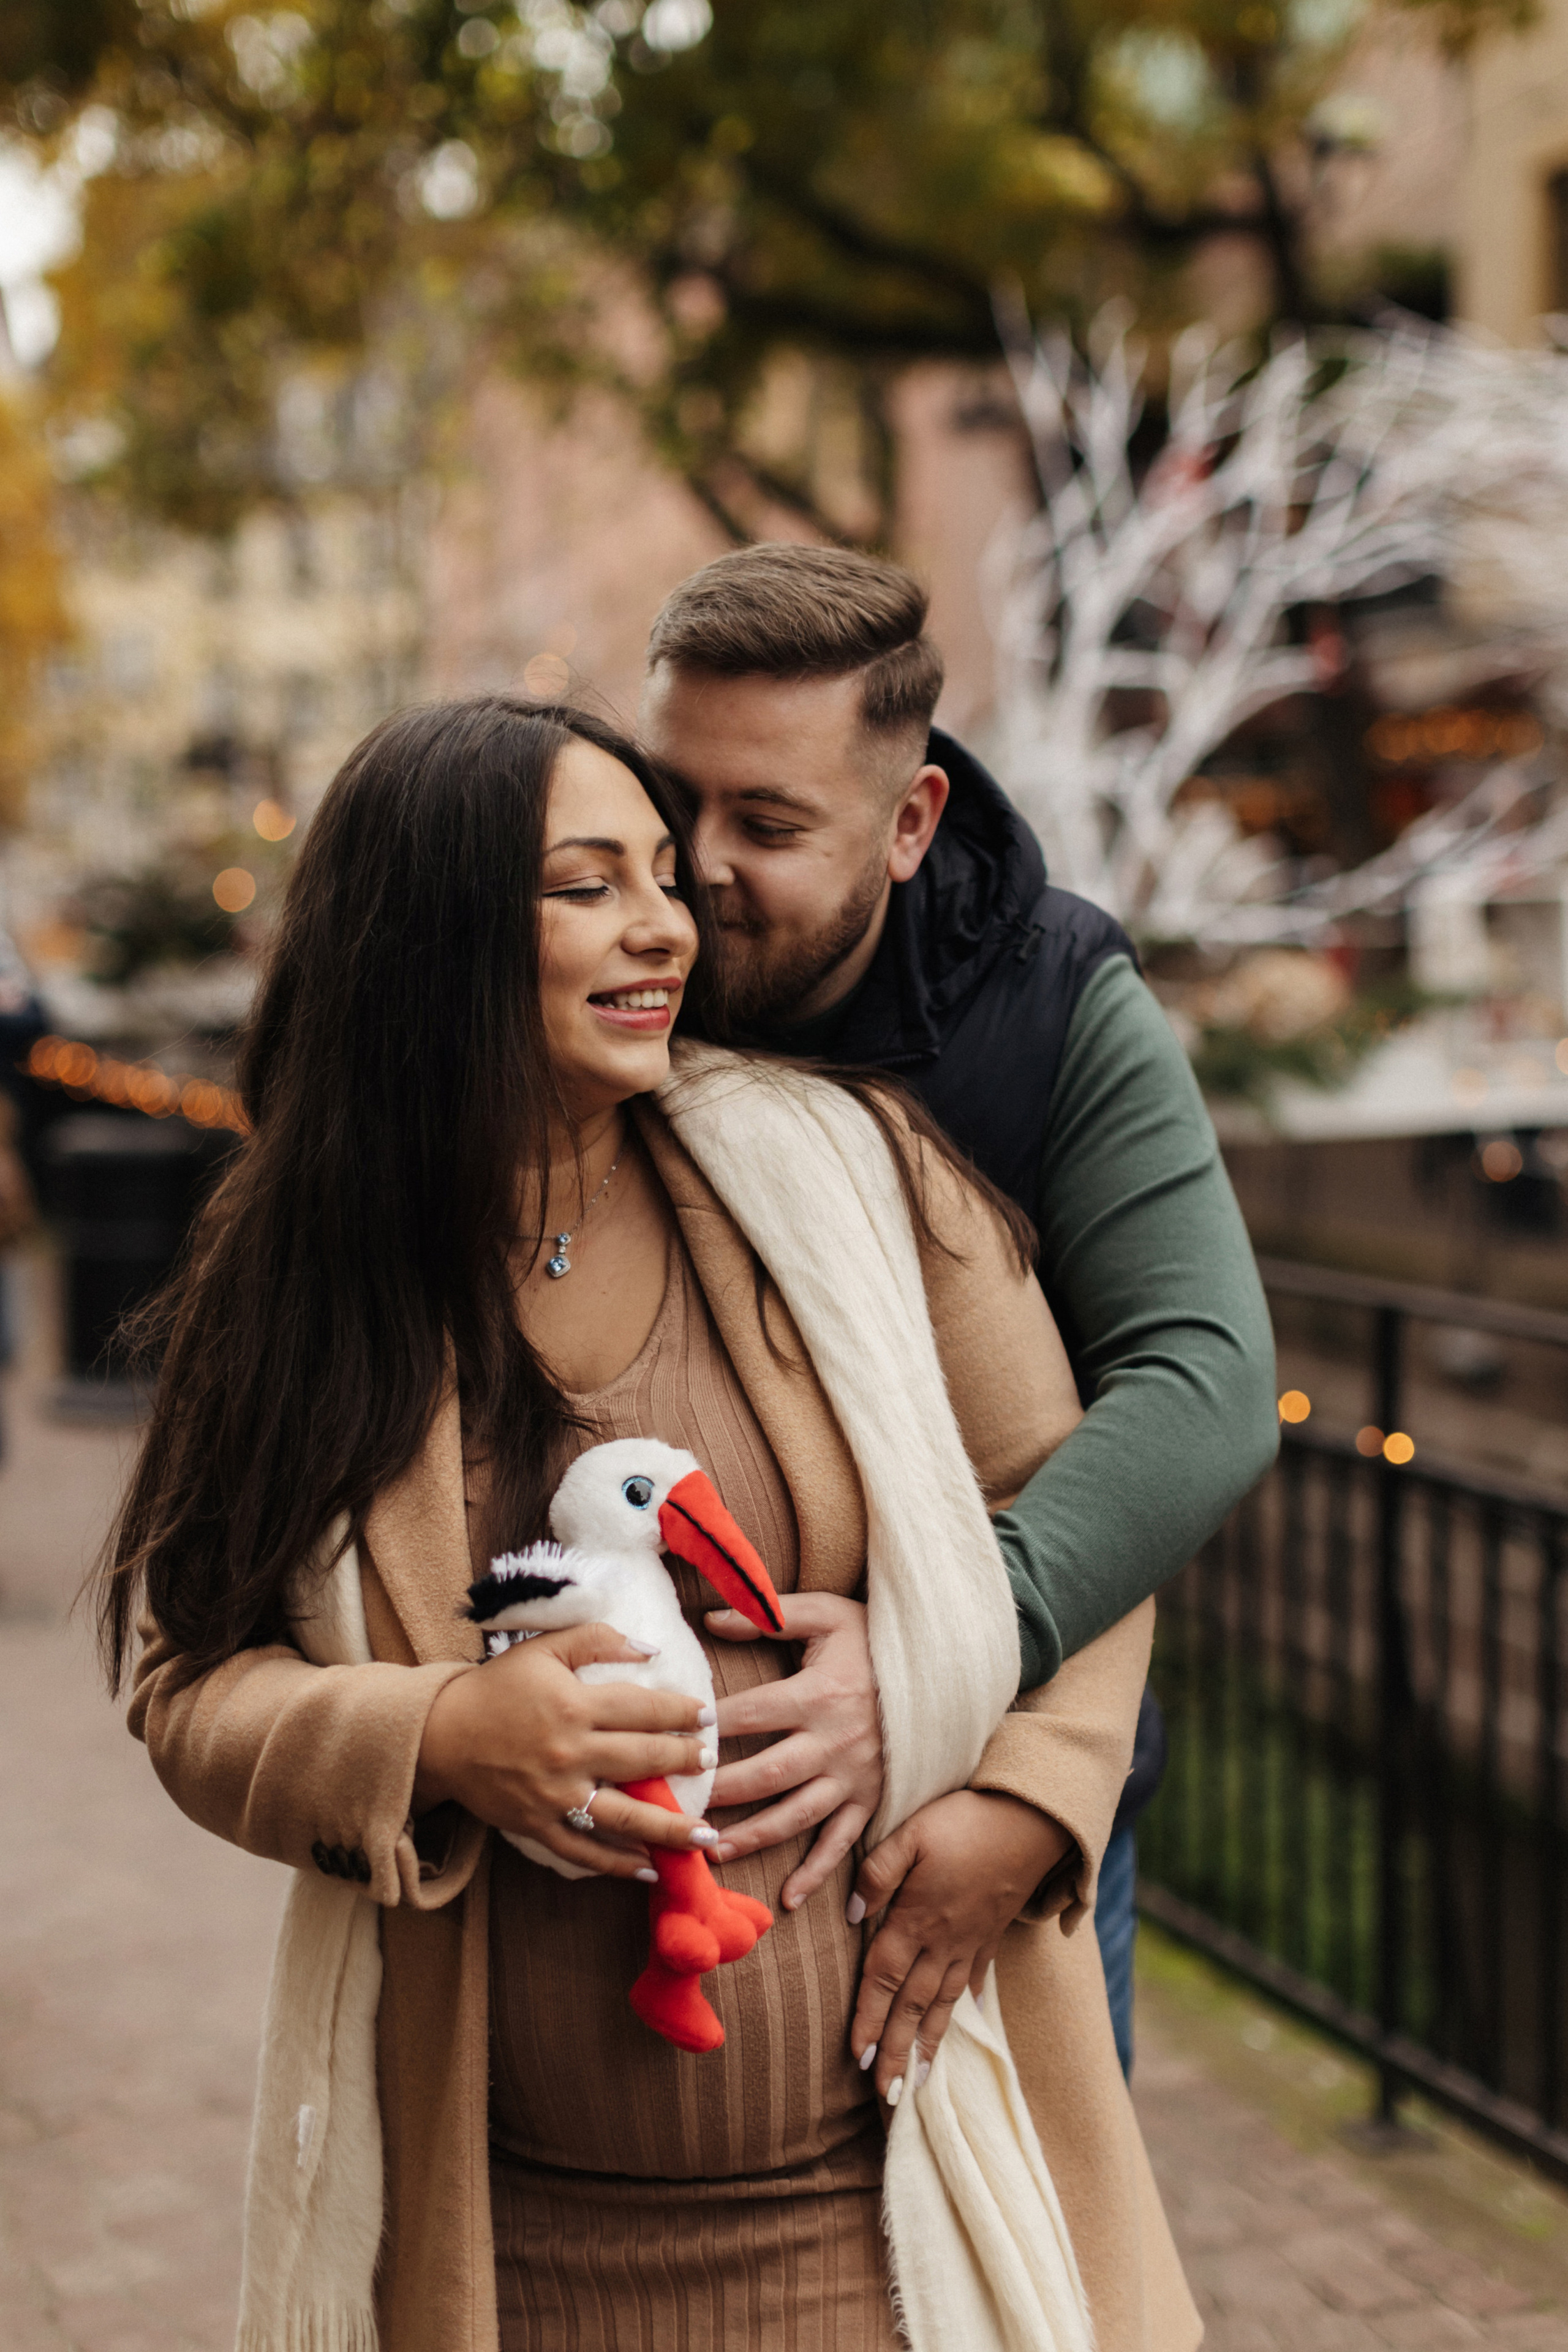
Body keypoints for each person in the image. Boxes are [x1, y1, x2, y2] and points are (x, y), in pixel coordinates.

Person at [98, 698, 1197, 2352]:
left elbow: (1074, 1512)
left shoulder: (850, 1176)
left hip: (888, 2216)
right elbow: (190, 1682)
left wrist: (1031, 1806)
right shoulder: (296, 1278)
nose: (662, 927)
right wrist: (441, 1732)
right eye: (587, 885)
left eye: (665, 879)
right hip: (504, 2248)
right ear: (437, 933)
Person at [639, 543, 1279, 2075]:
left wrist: (952, 1668)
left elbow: (1201, 1382)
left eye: (769, 824)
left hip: (985, 1810)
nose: (697, 868)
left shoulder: (1054, 996)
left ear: (911, 822)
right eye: (673, 808)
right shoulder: (598, 975)